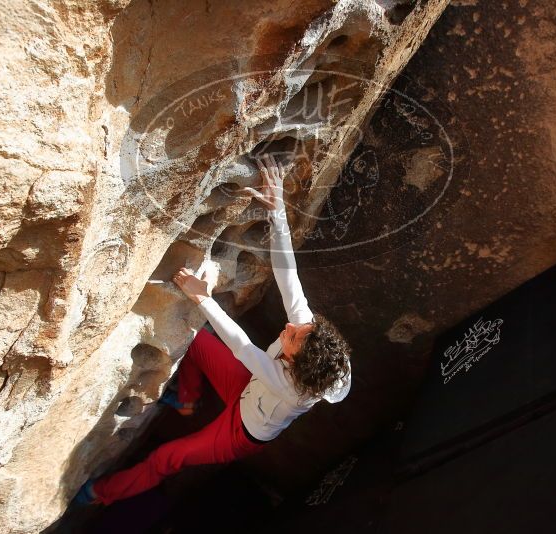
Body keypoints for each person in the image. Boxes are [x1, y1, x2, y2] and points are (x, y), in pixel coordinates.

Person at [75, 154, 352, 506]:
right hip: (247, 383)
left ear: (296, 369)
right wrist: (277, 212)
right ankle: (188, 400)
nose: (287, 329)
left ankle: (99, 494)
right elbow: (288, 277)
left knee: (166, 458)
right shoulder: (310, 337)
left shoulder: (292, 386)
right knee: (194, 339)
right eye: (296, 331)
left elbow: (244, 348)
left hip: (242, 430)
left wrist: (203, 299)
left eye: (290, 340)